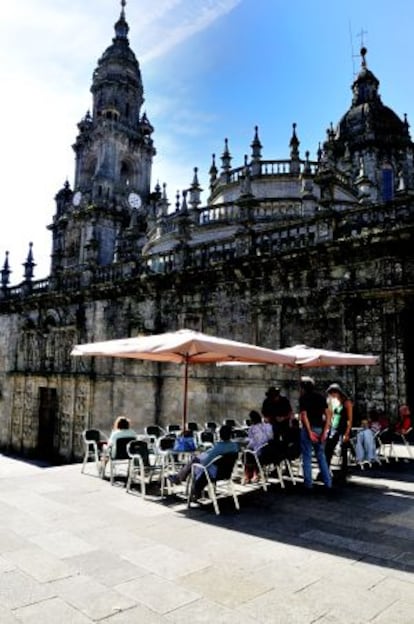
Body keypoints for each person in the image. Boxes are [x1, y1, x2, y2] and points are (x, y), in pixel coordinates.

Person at [168, 424, 239, 496]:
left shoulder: (218, 447)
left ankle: (179, 478)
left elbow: (205, 463)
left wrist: (199, 459)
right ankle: (180, 477)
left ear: (220, 435)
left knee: (194, 462)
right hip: (226, 472)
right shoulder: (234, 446)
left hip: (215, 473)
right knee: (195, 462)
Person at [299, 376, 332, 492]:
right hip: (320, 428)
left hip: (309, 429)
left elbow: (304, 416)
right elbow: (328, 415)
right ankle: (328, 482)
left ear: (303, 388)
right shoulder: (321, 397)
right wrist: (325, 431)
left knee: (307, 457)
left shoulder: (303, 398)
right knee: (321, 456)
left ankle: (308, 484)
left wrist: (309, 432)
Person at [324, 383, 353, 481]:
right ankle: (325, 470)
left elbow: (350, 419)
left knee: (343, 451)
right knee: (328, 449)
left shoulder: (347, 403)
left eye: (333, 394)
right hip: (334, 427)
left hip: (343, 428)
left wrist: (347, 433)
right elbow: (331, 416)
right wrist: (327, 429)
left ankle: (343, 473)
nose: (332, 396)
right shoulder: (333, 402)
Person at [243, 410, 273, 483]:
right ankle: (254, 474)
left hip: (260, 455)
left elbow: (252, 442)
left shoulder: (252, 429)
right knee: (252, 453)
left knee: (247, 453)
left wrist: (246, 443)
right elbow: (270, 438)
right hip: (270, 454)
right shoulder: (268, 426)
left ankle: (248, 475)